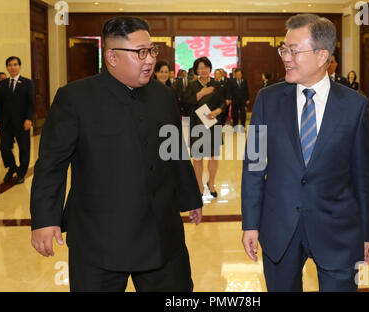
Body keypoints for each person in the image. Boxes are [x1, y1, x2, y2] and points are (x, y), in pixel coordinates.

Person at [30, 16, 203, 292]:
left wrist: (191, 197)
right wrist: (44, 219)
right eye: (140, 53)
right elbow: (51, 163)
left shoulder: (163, 95)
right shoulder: (75, 98)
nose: (150, 60)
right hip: (98, 240)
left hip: (161, 236)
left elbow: (174, 152)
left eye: (152, 50)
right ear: (111, 56)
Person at [241, 13, 369, 292]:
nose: (285, 57)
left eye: (293, 50)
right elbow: (254, 165)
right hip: (279, 229)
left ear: (321, 56)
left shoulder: (355, 106)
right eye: (283, 49)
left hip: (338, 231)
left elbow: (365, 176)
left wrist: (368, 233)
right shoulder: (267, 100)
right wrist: (250, 223)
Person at [183, 57, 226, 198]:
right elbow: (185, 102)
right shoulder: (192, 85)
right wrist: (201, 93)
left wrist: (217, 111)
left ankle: (211, 183)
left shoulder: (216, 84)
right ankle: (199, 185)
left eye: (205, 67)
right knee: (198, 158)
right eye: (200, 68)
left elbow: (223, 103)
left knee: (213, 156)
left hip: (213, 124)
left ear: (210, 68)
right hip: (197, 125)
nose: (203, 70)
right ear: (196, 70)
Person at [0, 56, 35, 184]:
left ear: (20, 66)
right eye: (10, 65)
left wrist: (29, 119)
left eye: (15, 64)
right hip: (6, 123)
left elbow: (31, 103)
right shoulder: (2, 84)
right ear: (7, 67)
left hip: (23, 123)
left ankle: (21, 173)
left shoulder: (27, 83)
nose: (13, 67)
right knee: (4, 148)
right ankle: (12, 168)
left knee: (24, 148)